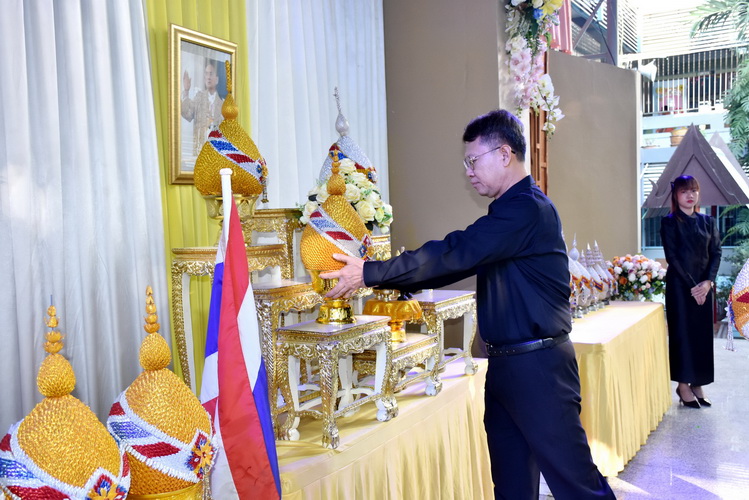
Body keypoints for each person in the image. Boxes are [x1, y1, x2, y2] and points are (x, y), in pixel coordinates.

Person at [321, 109, 615, 499]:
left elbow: (456, 251)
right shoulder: (509, 212)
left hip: (539, 369)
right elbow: (456, 261)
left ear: (505, 154)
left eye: (473, 161)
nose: (469, 172)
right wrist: (386, 278)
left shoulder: (526, 209)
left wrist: (372, 272)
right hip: (508, 367)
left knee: (579, 488)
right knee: (511, 488)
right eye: (467, 163)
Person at [660, 175, 721, 409]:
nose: (690, 195)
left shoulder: (708, 221)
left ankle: (698, 383)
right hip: (680, 288)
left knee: (702, 336)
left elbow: (716, 253)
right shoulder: (669, 222)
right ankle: (683, 385)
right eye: (684, 191)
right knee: (682, 336)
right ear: (676, 195)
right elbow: (672, 257)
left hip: (704, 288)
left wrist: (708, 283)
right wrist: (693, 287)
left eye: (693, 191)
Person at [181, 60, 224, 157]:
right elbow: (187, 114)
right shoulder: (199, 97)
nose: (208, 77)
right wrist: (186, 91)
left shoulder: (222, 104)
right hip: (199, 153)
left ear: (217, 79)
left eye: (211, 74)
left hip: (216, 154)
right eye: (206, 74)